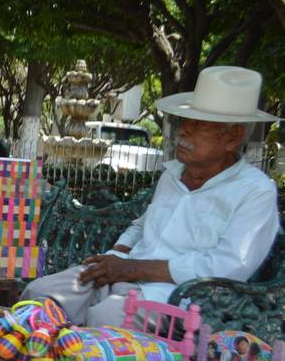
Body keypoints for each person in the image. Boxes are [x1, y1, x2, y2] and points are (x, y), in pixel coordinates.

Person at [22, 66, 280, 326]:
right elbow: (143, 225)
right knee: (40, 295)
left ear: (232, 138)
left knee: (106, 318)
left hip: (182, 299)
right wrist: (116, 256)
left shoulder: (255, 191)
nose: (183, 131)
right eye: (185, 122)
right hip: (126, 274)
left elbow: (228, 266)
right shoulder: (173, 174)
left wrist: (132, 269)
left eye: (198, 124)